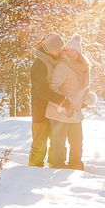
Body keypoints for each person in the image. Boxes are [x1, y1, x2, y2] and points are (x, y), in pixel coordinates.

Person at [45, 34, 95, 170]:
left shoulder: (83, 68)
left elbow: (83, 88)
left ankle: (76, 165)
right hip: (59, 112)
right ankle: (57, 166)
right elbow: (53, 88)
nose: (70, 53)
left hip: (75, 112)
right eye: (68, 50)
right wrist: (63, 105)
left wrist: (87, 97)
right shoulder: (63, 66)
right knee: (59, 143)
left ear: (79, 53)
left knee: (77, 141)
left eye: (73, 50)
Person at [28, 32, 72, 167]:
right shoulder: (39, 64)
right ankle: (33, 168)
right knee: (40, 142)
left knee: (56, 141)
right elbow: (42, 90)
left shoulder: (59, 60)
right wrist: (62, 100)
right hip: (41, 109)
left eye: (61, 48)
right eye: (57, 49)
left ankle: (54, 166)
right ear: (49, 49)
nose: (60, 51)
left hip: (55, 110)